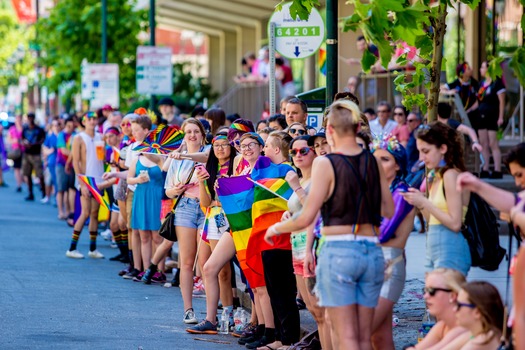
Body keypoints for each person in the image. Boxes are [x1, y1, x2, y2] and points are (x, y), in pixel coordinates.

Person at [264, 99, 394, 350]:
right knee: (363, 333)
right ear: (357, 128)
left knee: (345, 335)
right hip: (370, 250)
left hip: (339, 251)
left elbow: (307, 214)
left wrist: (276, 229)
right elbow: (388, 210)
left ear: (331, 130)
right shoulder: (372, 161)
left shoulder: (327, 163)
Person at [401, 122, 471, 276]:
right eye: (419, 151)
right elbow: (431, 220)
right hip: (436, 248)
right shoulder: (437, 176)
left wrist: (424, 202)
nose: (421, 158)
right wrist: (419, 202)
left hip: (450, 249)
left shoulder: (451, 175)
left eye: (426, 151)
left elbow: (455, 223)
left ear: (443, 149)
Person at [185, 134, 237, 334]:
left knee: (222, 270)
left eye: (225, 145)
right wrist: (201, 182)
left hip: (229, 219)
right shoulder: (210, 170)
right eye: (216, 145)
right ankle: (213, 317)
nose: (220, 149)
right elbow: (205, 203)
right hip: (211, 220)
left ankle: (227, 315)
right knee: (210, 269)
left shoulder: (236, 166)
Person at [285, 135, 332, 350]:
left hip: (313, 246)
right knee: (314, 311)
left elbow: (317, 211)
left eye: (303, 151)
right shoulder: (300, 179)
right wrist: (288, 215)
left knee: (322, 311)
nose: (298, 155)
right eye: (294, 152)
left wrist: (296, 188)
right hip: (297, 245)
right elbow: (300, 210)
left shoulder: (319, 178)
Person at [370, 134, 415, 350]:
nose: (378, 164)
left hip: (389, 266)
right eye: (375, 159)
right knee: (380, 338)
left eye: (385, 159)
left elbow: (384, 233)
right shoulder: (372, 191)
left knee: (362, 330)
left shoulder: (402, 193)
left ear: (398, 165)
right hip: (368, 266)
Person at [164, 118, 210, 324]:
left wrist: (183, 154)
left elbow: (205, 158)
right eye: (188, 132)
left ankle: (211, 313)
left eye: (196, 131)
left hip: (208, 207)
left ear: (202, 134)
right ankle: (188, 310)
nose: (192, 135)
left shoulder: (209, 151)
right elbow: (168, 191)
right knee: (187, 261)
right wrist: (175, 190)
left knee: (206, 262)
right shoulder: (176, 159)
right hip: (185, 208)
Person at [65, 112, 106, 259]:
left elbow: (103, 159)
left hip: (99, 180)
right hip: (86, 180)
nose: (93, 121)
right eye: (89, 119)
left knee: (94, 214)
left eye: (95, 119)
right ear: (84, 121)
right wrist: (82, 184)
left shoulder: (101, 137)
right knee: (85, 213)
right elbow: (76, 162)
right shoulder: (79, 138)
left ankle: (93, 249)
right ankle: (72, 247)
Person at [405, 268, 468, 350]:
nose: (425, 296)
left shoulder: (463, 329)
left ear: (452, 295)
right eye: (425, 291)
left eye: (432, 291)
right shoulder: (443, 326)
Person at [442, 281, 504, 350]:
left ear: (477, 312)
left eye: (459, 305)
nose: (454, 309)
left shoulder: (484, 340)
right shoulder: (476, 334)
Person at [477, 60, 505, 179]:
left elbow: (502, 101)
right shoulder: (481, 84)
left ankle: (497, 169)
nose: (481, 70)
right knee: (483, 143)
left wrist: (501, 117)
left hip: (493, 116)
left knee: (493, 143)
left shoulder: (497, 83)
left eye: (483, 67)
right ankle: (485, 168)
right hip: (481, 116)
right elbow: (478, 101)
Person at [442, 62, 481, 131]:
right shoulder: (456, 83)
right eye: (468, 69)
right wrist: (448, 92)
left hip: (473, 115)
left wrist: (469, 110)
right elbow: (440, 89)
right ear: (463, 73)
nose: (471, 69)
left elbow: (479, 99)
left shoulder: (475, 83)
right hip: (458, 116)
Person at [21, 113, 46, 201]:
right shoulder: (25, 129)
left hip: (36, 154)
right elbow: (22, 138)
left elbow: (43, 139)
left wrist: (35, 144)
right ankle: (30, 193)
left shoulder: (39, 129)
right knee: (27, 174)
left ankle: (44, 193)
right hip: (27, 153)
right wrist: (25, 143)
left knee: (39, 174)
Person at [55, 117, 76, 220]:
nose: (70, 128)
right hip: (61, 164)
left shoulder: (75, 135)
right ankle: (61, 211)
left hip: (73, 165)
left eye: (72, 126)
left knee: (70, 189)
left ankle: (69, 211)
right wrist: (75, 155)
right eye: (69, 126)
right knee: (61, 189)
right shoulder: (61, 135)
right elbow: (63, 150)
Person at [41, 119, 60, 204]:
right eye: (54, 125)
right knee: (49, 180)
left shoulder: (61, 136)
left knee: (57, 181)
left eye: (58, 125)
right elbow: (45, 149)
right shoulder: (50, 137)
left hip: (59, 162)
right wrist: (49, 153)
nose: (56, 127)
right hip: (51, 161)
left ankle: (57, 198)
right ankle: (48, 196)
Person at [7, 115, 24, 192]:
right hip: (16, 151)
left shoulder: (24, 128)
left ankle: (24, 181)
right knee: (17, 168)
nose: (18, 121)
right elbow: (8, 140)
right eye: (17, 119)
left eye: (20, 119)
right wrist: (14, 141)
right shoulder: (12, 129)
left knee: (23, 168)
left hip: (24, 151)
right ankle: (19, 184)